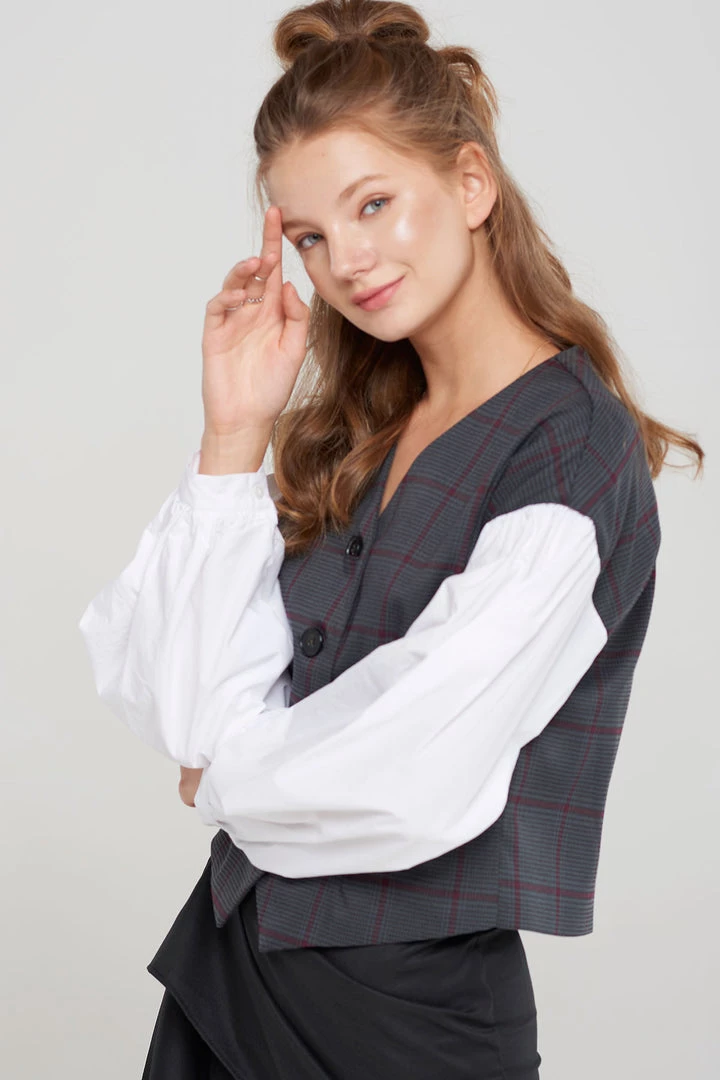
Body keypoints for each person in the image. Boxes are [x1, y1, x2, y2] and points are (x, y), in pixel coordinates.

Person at [78, 2, 704, 1077]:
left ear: (471, 183)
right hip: (228, 978)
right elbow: (184, 702)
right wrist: (233, 431)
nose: (347, 261)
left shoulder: (568, 450)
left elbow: (411, 767)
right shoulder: (357, 426)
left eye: (374, 204)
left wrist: (222, 778)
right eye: (312, 238)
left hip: (408, 1025)